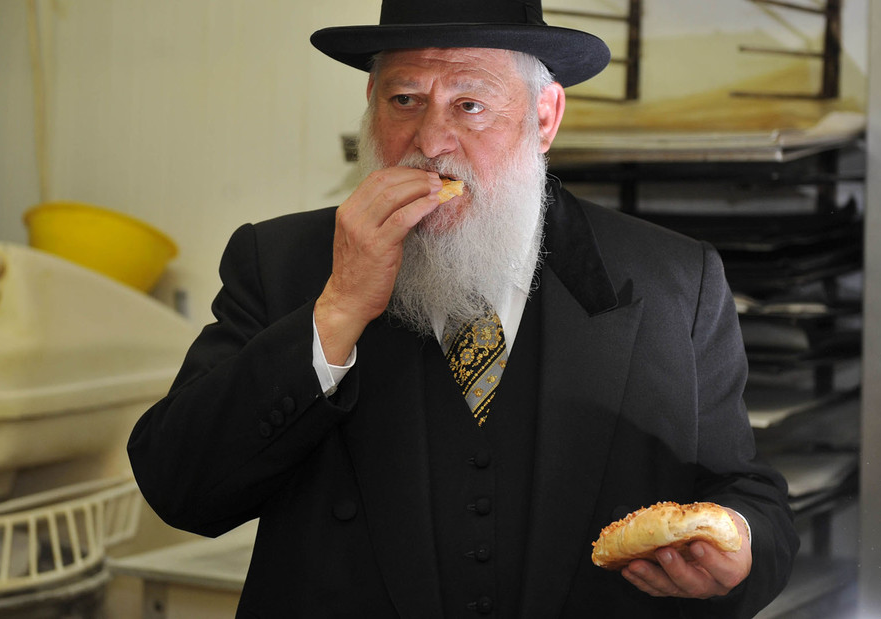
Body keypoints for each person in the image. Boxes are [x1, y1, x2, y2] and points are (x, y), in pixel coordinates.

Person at [127, 1, 799, 617]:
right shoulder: (279, 263)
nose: (433, 140)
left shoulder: (673, 282)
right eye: (405, 98)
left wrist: (737, 546)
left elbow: (748, 494)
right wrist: (335, 312)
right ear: (370, 104)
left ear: (545, 117)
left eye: (470, 103)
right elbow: (179, 486)